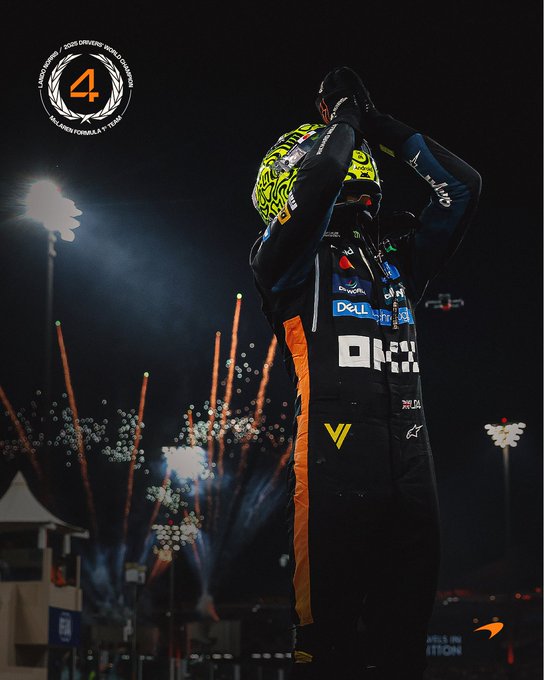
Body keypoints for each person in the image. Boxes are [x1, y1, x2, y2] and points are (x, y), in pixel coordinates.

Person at [249, 66, 481, 680]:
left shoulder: (395, 258)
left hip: (412, 474)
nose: (361, 187)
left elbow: (463, 187)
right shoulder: (282, 258)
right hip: (332, 476)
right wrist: (347, 115)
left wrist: (379, 124)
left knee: (403, 656)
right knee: (328, 657)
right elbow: (323, 181)